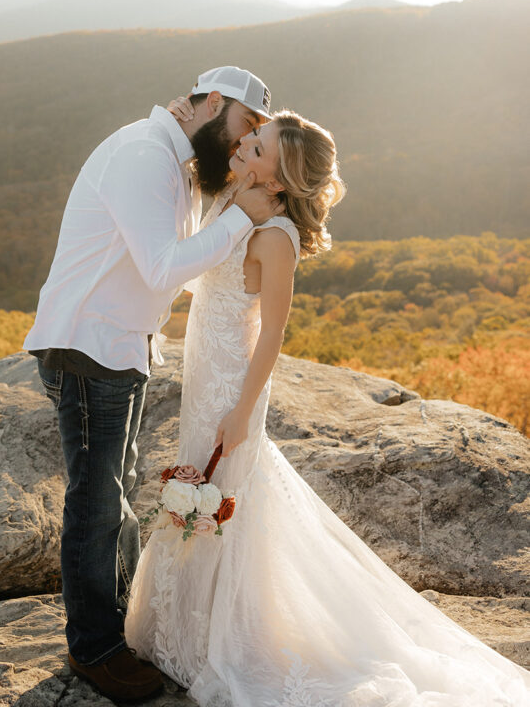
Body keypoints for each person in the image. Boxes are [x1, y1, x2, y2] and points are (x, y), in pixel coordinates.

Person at [125, 103, 530, 706]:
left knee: (225, 495)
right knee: (206, 490)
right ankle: (188, 628)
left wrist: (242, 411)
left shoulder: (277, 236)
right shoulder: (233, 201)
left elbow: (273, 335)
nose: (245, 145)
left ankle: (227, 637)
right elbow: (192, 272)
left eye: (258, 147)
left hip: (233, 384)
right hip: (203, 374)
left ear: (281, 181)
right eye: (253, 135)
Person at [23, 66, 284, 704]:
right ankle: (96, 649)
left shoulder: (179, 159)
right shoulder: (144, 156)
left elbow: (175, 262)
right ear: (213, 103)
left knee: (113, 491)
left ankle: (122, 625)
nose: (241, 144)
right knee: (96, 501)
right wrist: (243, 218)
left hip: (122, 347)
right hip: (89, 346)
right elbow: (164, 264)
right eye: (244, 128)